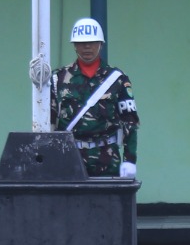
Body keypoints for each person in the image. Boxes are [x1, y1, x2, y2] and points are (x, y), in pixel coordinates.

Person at [50, 18, 138, 178]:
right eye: (82, 43)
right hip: (69, 158)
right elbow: (49, 122)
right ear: (74, 45)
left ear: (101, 44)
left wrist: (130, 159)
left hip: (107, 159)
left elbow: (130, 121)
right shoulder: (58, 79)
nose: (87, 47)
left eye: (92, 42)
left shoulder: (117, 79)